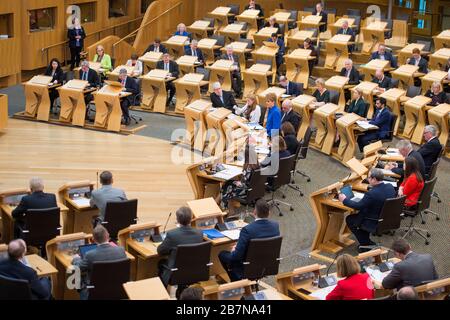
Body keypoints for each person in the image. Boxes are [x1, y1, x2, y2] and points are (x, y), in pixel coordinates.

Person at [218, 199, 280, 282]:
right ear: (269, 213)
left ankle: (236, 281)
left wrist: (235, 250)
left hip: (247, 267)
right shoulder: (275, 226)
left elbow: (236, 256)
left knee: (222, 254)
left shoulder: (247, 230)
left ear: (254, 212)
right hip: (266, 266)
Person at [338, 168, 396, 251]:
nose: (367, 179)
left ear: (374, 179)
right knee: (359, 215)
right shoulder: (390, 187)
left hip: (373, 220)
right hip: (385, 218)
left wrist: (344, 200)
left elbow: (358, 206)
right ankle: (367, 241)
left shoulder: (371, 194)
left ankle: (365, 244)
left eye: (369, 178)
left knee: (350, 219)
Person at [71, 225, 127, 300]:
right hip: (117, 291)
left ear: (93, 239)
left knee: (76, 276)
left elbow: (78, 267)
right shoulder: (121, 250)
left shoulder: (90, 255)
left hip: (94, 293)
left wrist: (76, 258)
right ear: (108, 235)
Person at [157, 207, 203, 296]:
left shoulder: (172, 234)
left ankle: (162, 294)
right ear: (191, 218)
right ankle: (181, 290)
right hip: (194, 270)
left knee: (161, 263)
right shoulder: (199, 233)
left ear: (177, 219)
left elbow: (160, 251)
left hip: (175, 273)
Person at [220, 143, 260, 215]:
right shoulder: (257, 165)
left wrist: (235, 181)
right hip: (253, 190)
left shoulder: (248, 167)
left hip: (245, 191)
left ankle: (225, 208)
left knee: (227, 185)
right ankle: (226, 207)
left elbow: (243, 182)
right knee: (229, 184)